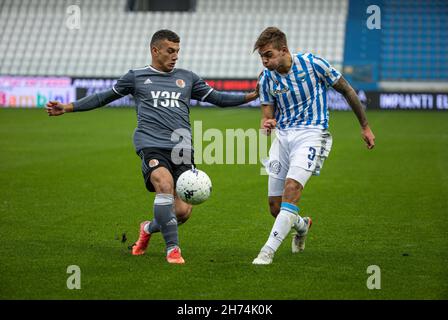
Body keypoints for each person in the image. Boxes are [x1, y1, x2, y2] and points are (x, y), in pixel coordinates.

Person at [46, 29, 259, 264]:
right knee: (164, 185)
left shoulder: (188, 78)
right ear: (155, 50)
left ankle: (147, 228)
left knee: (181, 212)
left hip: (181, 148)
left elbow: (218, 98)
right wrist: (67, 107)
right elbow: (102, 97)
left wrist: (251, 96)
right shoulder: (136, 77)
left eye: (177, 51)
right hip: (151, 144)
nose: (175, 55)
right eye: (170, 51)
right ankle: (173, 249)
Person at [252, 27, 375, 265]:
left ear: (284, 50)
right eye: (262, 57)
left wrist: (365, 126)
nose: (265, 61)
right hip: (283, 137)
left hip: (312, 134)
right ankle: (302, 225)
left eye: (268, 54)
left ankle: (267, 251)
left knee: (292, 188)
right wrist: (266, 123)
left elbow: (347, 90)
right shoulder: (266, 78)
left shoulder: (313, 64)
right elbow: (267, 113)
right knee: (275, 208)